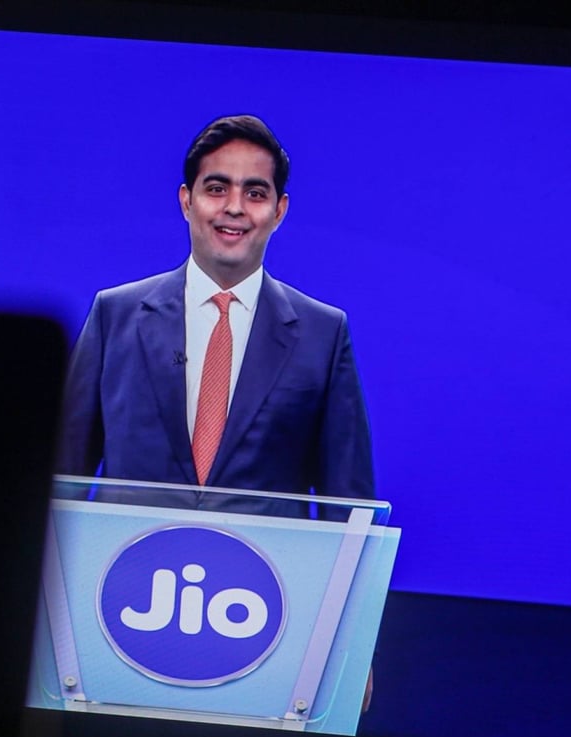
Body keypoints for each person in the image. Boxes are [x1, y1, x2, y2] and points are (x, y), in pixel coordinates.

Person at [57, 114, 374, 518]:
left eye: (255, 193)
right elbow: (61, 478)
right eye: (217, 188)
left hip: (267, 577)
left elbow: (350, 508)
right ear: (187, 201)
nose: (235, 208)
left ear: (280, 211)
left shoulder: (323, 335)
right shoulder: (114, 316)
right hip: (124, 572)